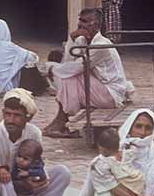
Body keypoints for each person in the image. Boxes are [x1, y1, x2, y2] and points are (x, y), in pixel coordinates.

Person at [74, 108, 154, 196]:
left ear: (153, 131)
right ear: (129, 127)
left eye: (148, 128)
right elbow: (98, 186)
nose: (142, 133)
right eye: (138, 126)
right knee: (103, 190)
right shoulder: (112, 153)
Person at [44, 8, 134, 138]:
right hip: (98, 88)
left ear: (96, 26)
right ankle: (62, 119)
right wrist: (71, 39)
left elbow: (75, 68)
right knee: (68, 75)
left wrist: (51, 68)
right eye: (80, 20)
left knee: (72, 74)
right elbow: (67, 62)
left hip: (112, 93)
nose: (80, 24)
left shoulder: (101, 45)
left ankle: (62, 120)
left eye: (85, 21)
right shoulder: (82, 41)